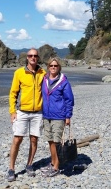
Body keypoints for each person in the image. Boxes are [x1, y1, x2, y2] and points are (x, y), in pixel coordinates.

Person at [7, 48, 46, 182]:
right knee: (17, 139)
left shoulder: (43, 73)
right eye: (30, 55)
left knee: (34, 140)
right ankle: (11, 168)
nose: (33, 57)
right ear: (27, 57)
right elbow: (13, 93)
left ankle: (29, 164)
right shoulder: (19, 72)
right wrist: (12, 111)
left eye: (35, 55)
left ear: (38, 57)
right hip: (22, 112)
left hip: (38, 113)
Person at [40, 57, 74, 177]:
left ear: (59, 67)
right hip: (46, 115)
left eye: (55, 66)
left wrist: (68, 116)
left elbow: (69, 99)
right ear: (48, 67)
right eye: (51, 66)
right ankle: (53, 162)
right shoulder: (44, 79)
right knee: (50, 140)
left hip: (59, 116)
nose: (53, 67)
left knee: (57, 141)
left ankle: (56, 167)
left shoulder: (63, 81)